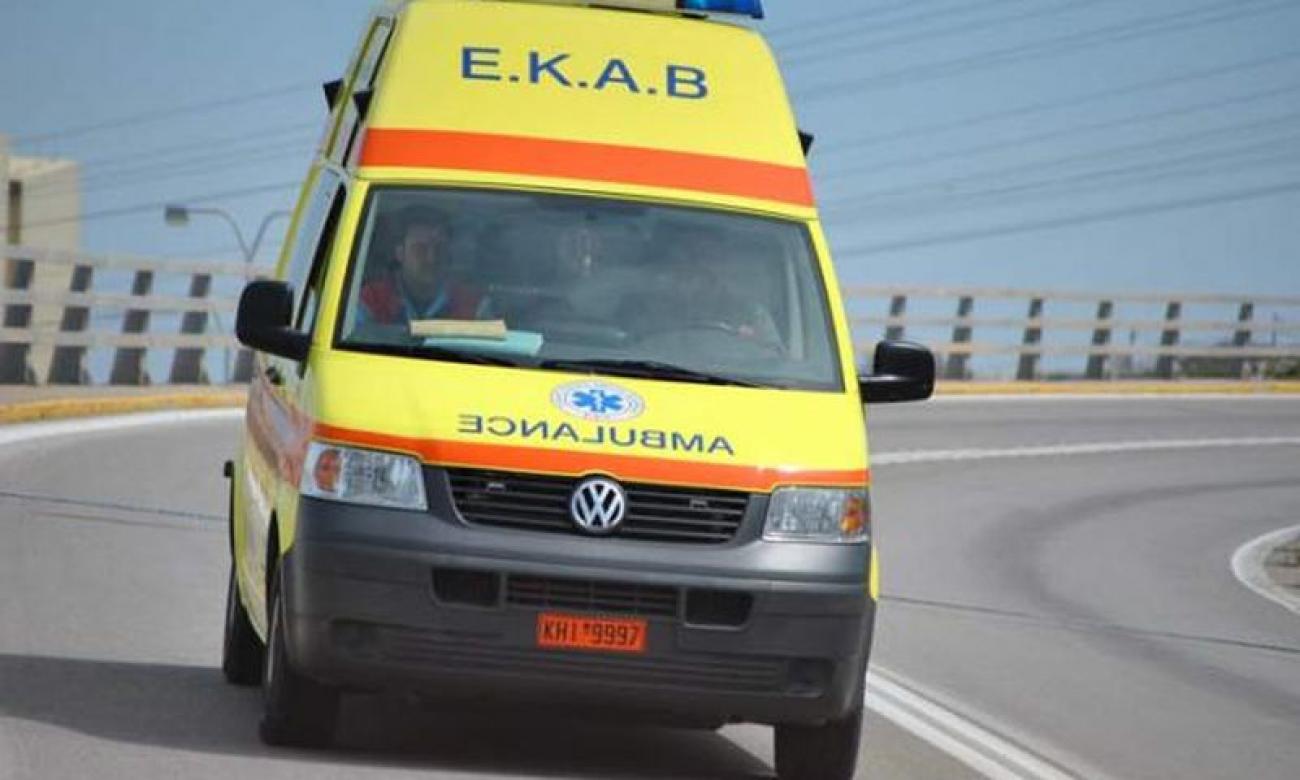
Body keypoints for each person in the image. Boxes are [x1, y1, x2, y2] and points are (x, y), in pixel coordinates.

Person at [357, 206, 489, 328]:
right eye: (420, 249)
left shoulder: (473, 304)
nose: (431, 258)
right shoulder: (372, 300)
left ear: (449, 253)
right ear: (400, 253)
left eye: (439, 248)